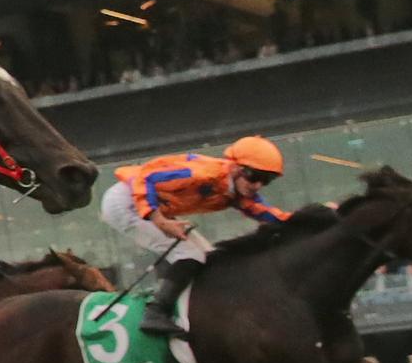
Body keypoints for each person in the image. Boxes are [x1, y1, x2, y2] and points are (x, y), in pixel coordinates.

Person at [102, 136, 291, 336]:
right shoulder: (203, 174)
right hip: (125, 203)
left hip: (153, 207)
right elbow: (147, 177)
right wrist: (160, 220)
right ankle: (155, 313)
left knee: (208, 257)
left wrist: (317, 216)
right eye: (254, 177)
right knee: (188, 255)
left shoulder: (236, 190)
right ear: (236, 168)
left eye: (266, 180)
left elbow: (267, 214)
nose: (257, 185)